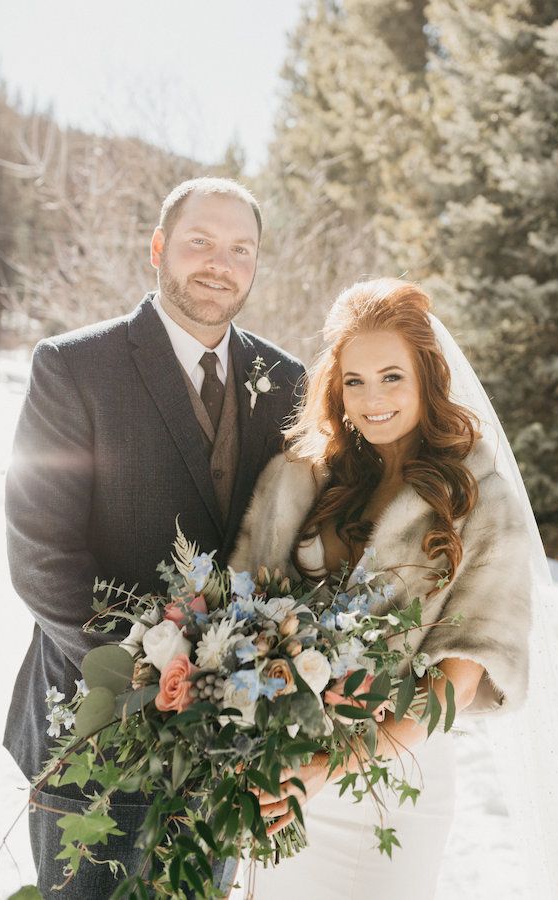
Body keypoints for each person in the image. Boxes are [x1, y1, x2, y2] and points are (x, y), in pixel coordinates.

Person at [4, 176, 305, 898]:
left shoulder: (287, 379)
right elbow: (40, 550)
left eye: (240, 248)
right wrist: (144, 674)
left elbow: (291, 546)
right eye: (199, 241)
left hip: (226, 743)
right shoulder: (73, 366)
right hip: (96, 725)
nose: (218, 263)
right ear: (159, 248)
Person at [229, 277, 535, 898]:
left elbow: (457, 682)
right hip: (279, 778)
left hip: (391, 789)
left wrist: (326, 767)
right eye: (355, 380)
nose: (373, 400)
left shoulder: (477, 500)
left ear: (427, 377)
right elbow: (239, 624)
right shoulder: (297, 481)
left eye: (392, 376)